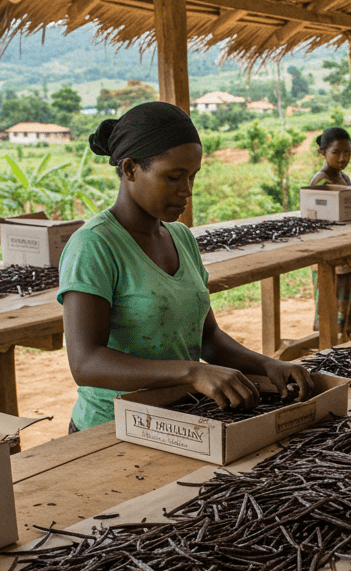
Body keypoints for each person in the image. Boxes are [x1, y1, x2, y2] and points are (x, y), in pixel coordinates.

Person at [60, 101, 314, 432]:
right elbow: (86, 362)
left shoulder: (180, 237)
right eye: (174, 177)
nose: (187, 191)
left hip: (177, 422)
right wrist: (192, 372)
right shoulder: (94, 245)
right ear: (130, 169)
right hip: (110, 429)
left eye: (192, 176)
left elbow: (207, 338)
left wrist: (268, 365)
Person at [309, 126, 351, 339]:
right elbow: (316, 221)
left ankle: (343, 345)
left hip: (347, 256)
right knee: (334, 317)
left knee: (345, 319)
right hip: (333, 259)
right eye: (336, 152)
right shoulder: (321, 180)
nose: (342, 158)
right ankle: (334, 350)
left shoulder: (344, 177)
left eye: (347, 152)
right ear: (322, 153)